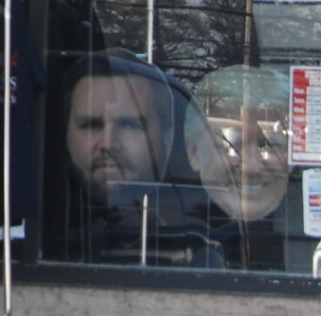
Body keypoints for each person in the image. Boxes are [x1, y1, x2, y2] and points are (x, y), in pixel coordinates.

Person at [51, 55, 212, 266]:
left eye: (129, 125)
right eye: (91, 125)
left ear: (167, 136)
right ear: (66, 135)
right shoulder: (32, 230)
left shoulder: (202, 235)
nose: (108, 143)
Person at [186, 63, 299, 270]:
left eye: (270, 145)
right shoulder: (161, 233)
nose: (251, 168)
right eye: (232, 146)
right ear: (194, 153)